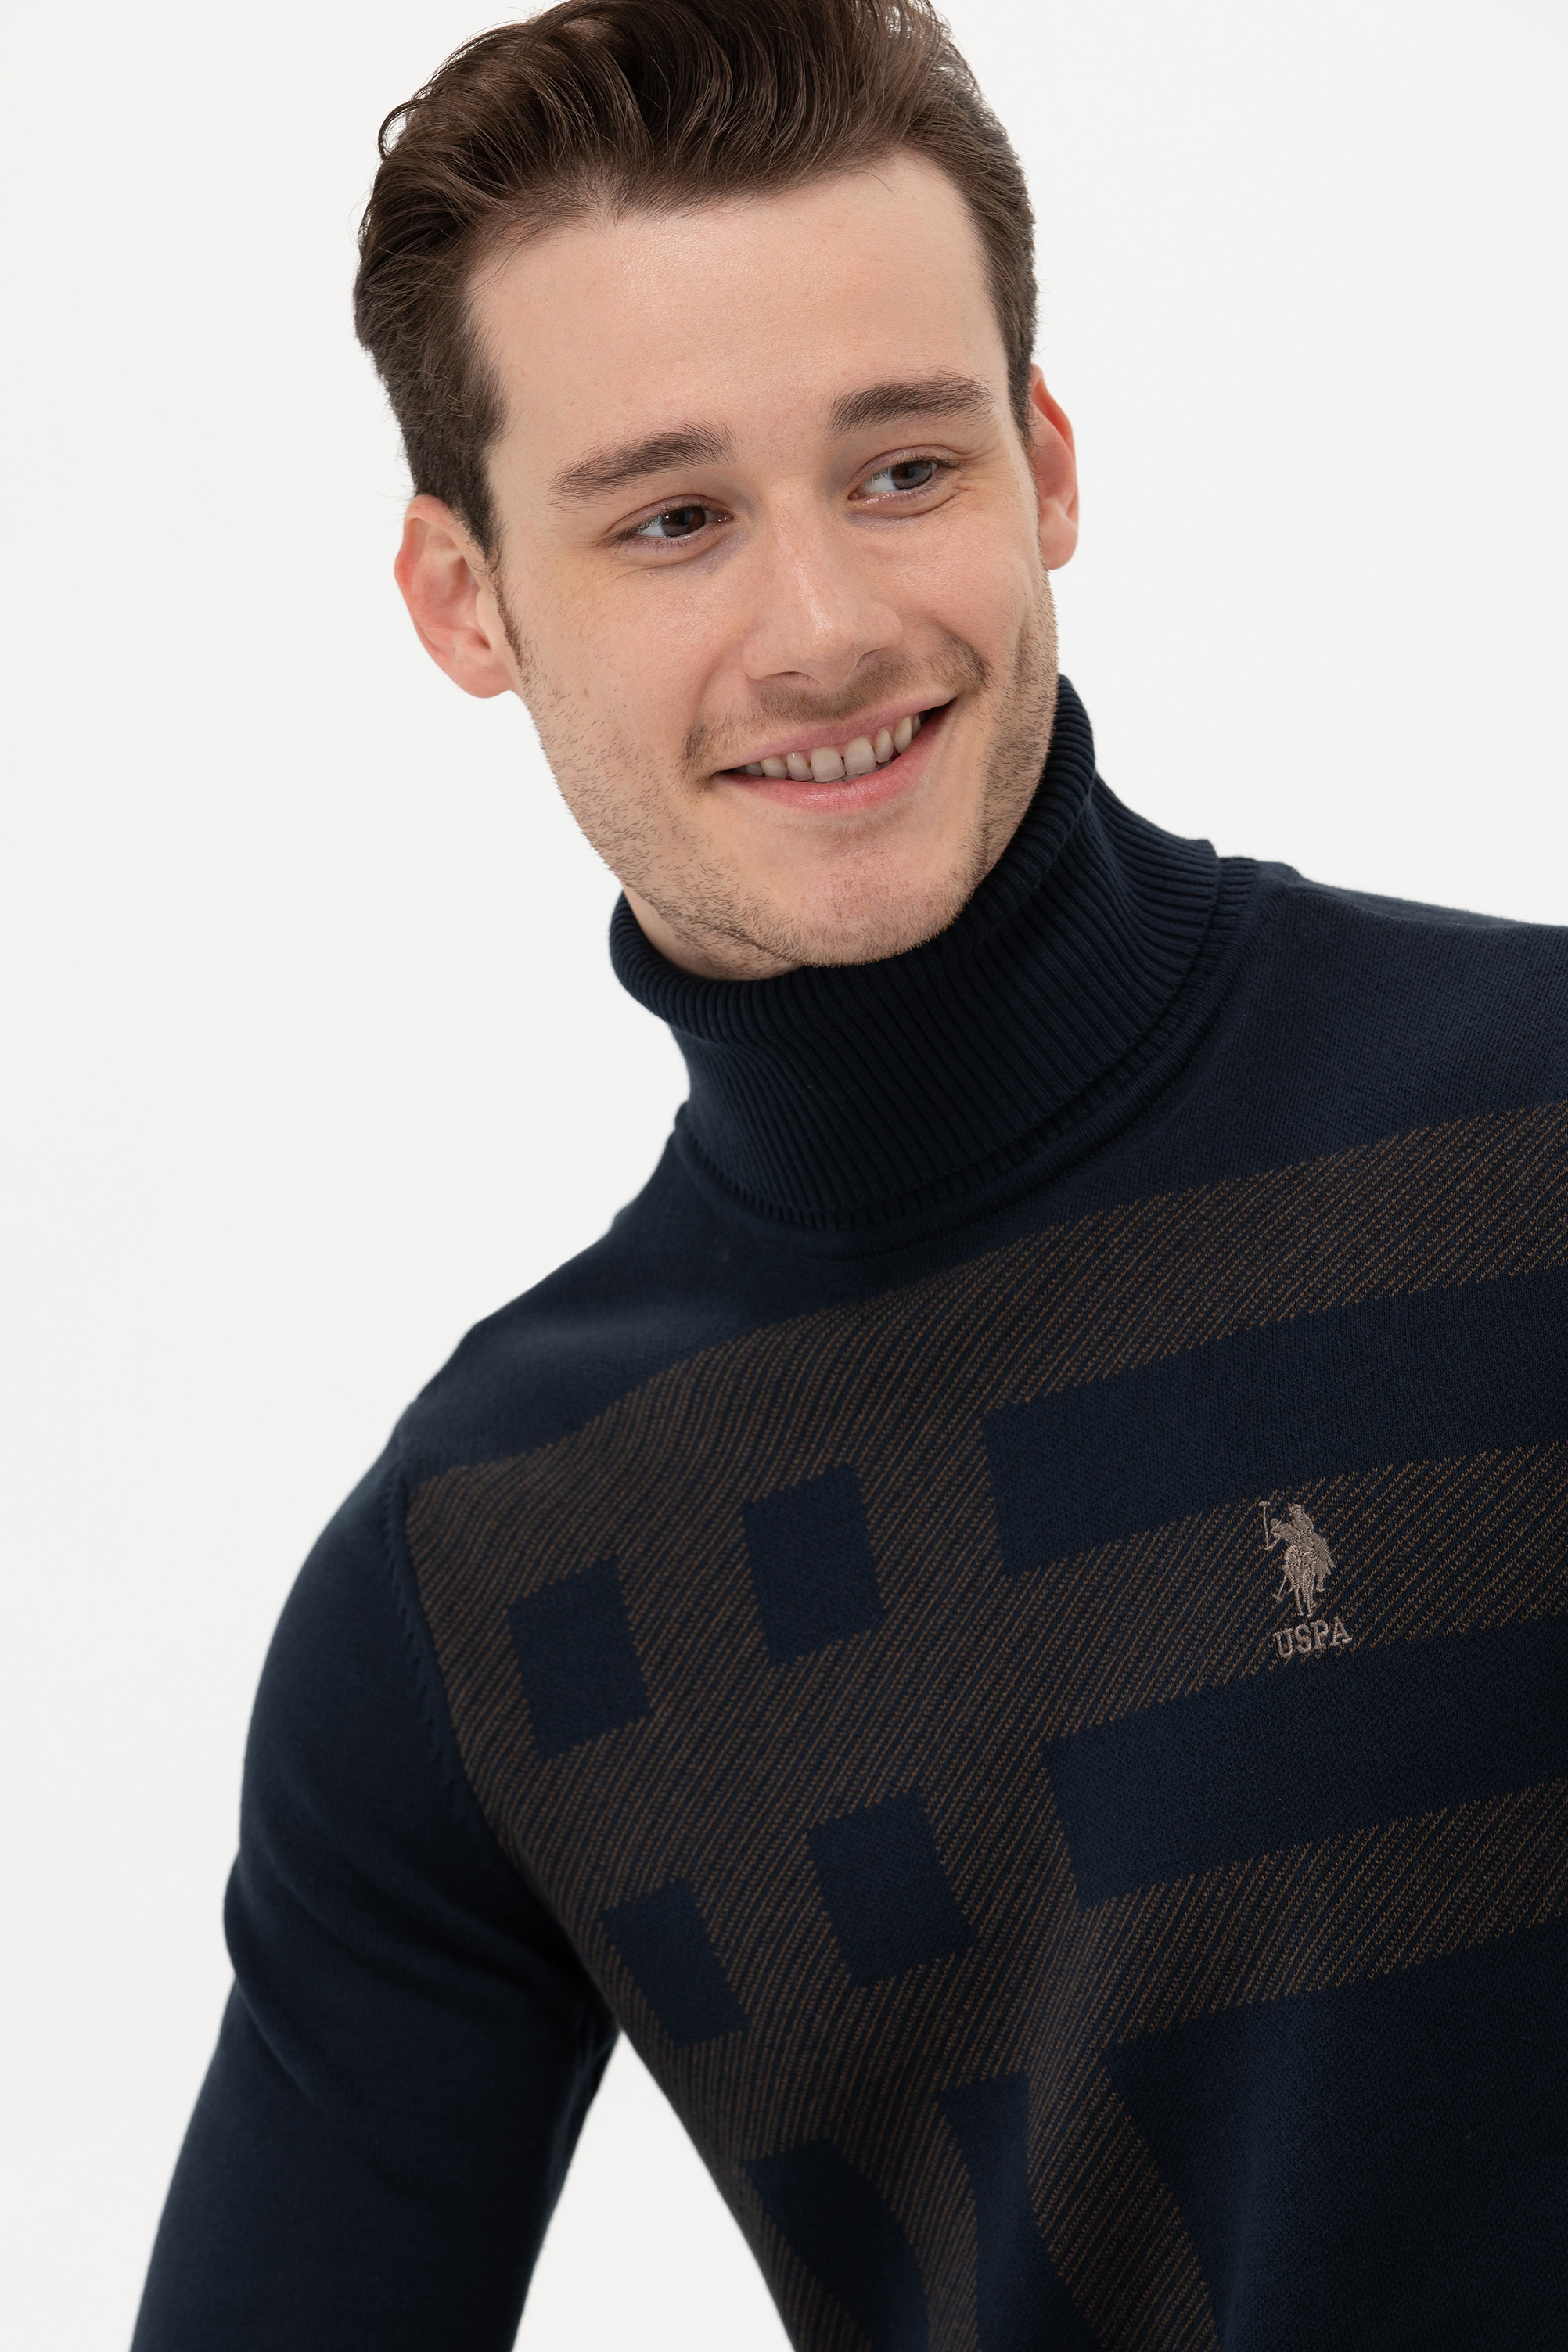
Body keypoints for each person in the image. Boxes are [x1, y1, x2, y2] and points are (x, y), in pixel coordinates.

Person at [132, 2, 1568, 2345]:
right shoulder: (486, 1581)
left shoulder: (1531, 1143)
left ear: (1044, 468)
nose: (822, 631)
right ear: (466, 599)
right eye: (672, 519)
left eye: (901, 470)